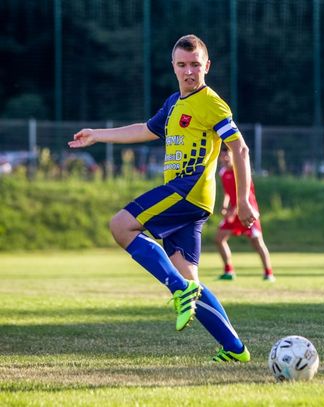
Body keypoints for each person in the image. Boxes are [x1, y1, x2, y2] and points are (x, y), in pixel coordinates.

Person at [68, 34, 256, 363]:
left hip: (187, 190)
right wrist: (97, 135)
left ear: (207, 66)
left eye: (195, 64)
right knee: (190, 278)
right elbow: (144, 129)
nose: (189, 71)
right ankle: (234, 348)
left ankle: (178, 289)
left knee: (121, 226)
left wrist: (242, 201)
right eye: (182, 65)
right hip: (191, 201)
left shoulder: (211, 103)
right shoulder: (173, 103)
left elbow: (239, 148)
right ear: (173, 66)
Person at [215, 148, 275, 281]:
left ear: (233, 156)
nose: (225, 158)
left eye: (227, 155)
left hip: (248, 210)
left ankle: (268, 273)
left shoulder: (241, 172)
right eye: (222, 156)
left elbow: (245, 195)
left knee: (257, 242)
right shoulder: (223, 172)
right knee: (219, 239)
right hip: (233, 211)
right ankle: (229, 271)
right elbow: (227, 192)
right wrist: (225, 206)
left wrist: (233, 211)